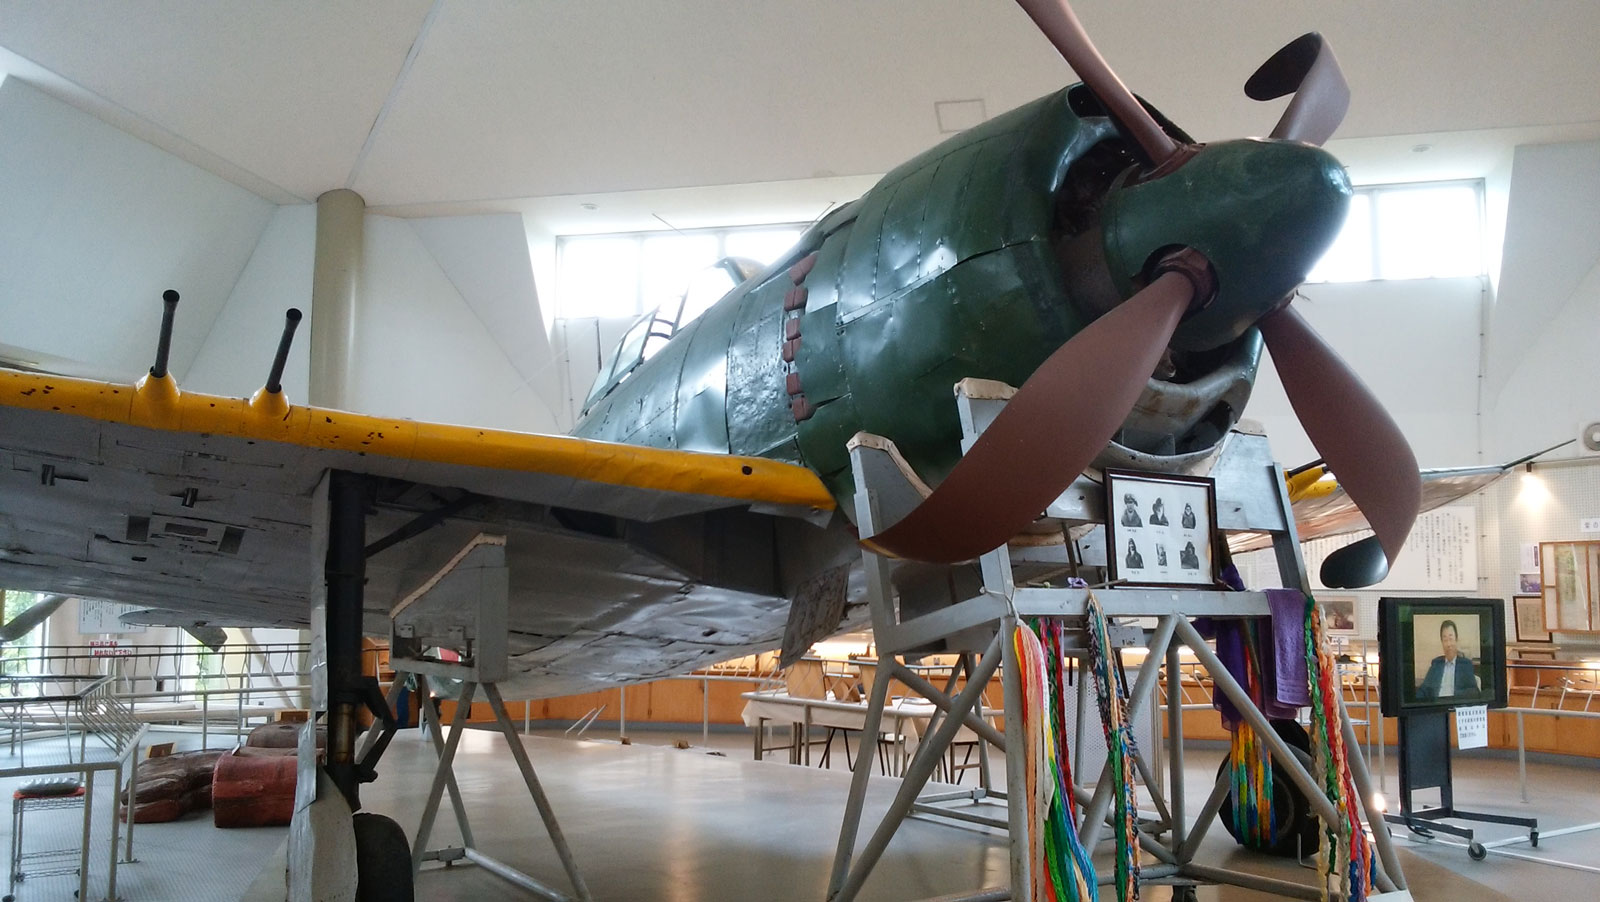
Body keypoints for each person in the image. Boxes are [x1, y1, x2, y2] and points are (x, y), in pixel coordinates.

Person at [1416, 619, 1480, 700]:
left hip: (1456, 705)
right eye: (1445, 640)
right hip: (1437, 705)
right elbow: (1424, 689)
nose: (1448, 644)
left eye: (1451, 639)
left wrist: (1454, 697)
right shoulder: (1436, 663)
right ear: (1442, 642)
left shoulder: (1465, 664)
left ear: (1456, 640)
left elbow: (1474, 692)